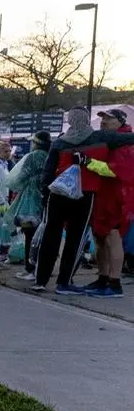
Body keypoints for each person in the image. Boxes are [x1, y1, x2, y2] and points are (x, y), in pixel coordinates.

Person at [34, 106, 134, 294]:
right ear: (87, 120)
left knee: (52, 235)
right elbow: (129, 139)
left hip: (63, 194)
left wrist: (45, 193)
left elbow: (47, 172)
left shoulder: (60, 141)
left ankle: (41, 279)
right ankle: (65, 282)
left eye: (108, 118)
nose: (104, 121)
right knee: (76, 238)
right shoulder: (100, 137)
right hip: (86, 195)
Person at [81, 109, 134, 298]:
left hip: (118, 198)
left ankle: (115, 283)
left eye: (108, 119)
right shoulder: (107, 140)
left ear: (120, 122)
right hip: (102, 196)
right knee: (100, 238)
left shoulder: (127, 142)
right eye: (102, 118)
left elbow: (118, 170)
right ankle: (102, 278)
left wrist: (89, 163)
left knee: (113, 238)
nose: (103, 122)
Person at [6, 131, 51, 281]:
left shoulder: (32, 157)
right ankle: (40, 267)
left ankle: (30, 268)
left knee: (29, 234)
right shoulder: (50, 156)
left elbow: (20, 177)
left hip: (29, 201)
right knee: (42, 236)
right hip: (45, 198)